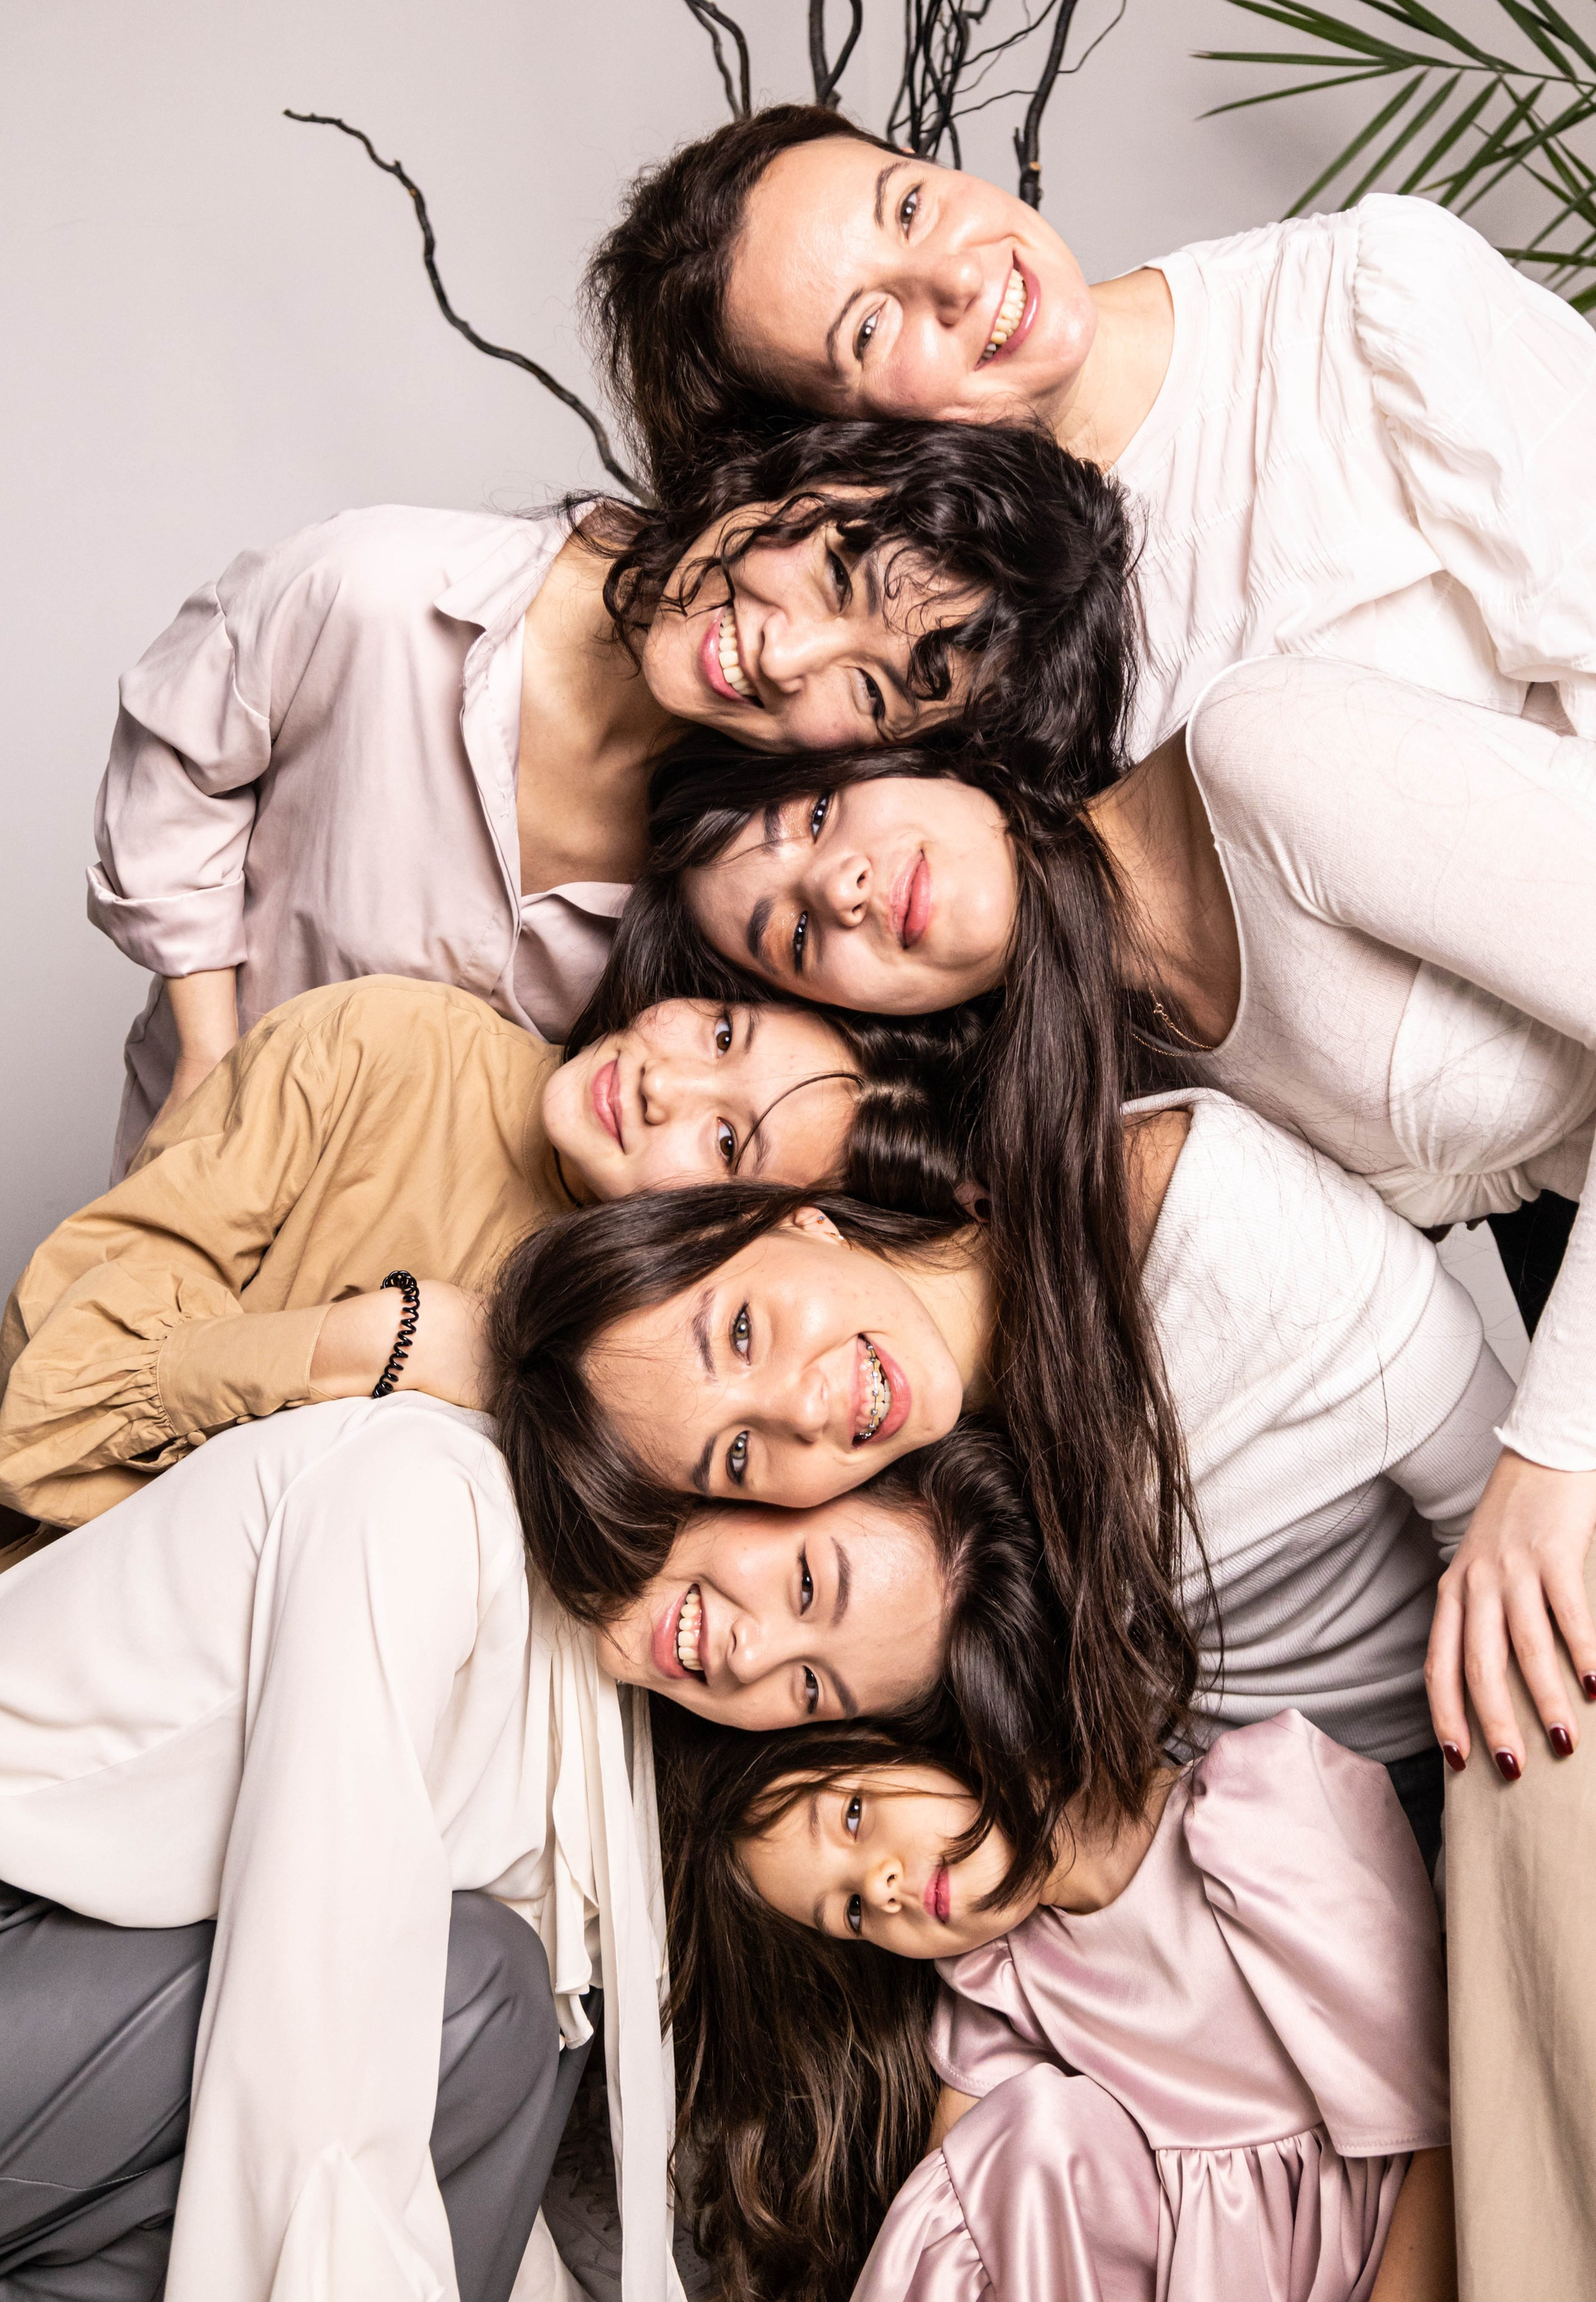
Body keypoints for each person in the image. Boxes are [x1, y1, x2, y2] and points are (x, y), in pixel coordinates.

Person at [492, 1090, 1509, 1871]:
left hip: (1464, 1741)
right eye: (737, 1455)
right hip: (1295, 1825)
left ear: (792, 1218)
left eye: (745, 1332)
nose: (800, 1410)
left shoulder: (1193, 1221)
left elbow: (1504, 1498)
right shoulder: (921, 1523)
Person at [88, 417, 1130, 1176]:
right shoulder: (381, 591)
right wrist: (207, 1058)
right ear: (817, 470)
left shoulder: (761, 881)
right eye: (834, 575)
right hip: (186, 1170)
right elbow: (180, 758)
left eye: (868, 690)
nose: (786, 653)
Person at [588, 106, 1596, 764]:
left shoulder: (1371, 304)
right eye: (869, 328)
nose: (960, 276)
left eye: (910, 205)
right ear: (828, 446)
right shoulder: (921, 679)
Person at [0, 972, 971, 1531]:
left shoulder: (680, 1410)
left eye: (725, 1142)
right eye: (722, 1032)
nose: (664, 1083)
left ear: (752, 1228)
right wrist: (386, 1337)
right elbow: (39, 1397)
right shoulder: (390, 1049)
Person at [663, 1708, 1453, 2302]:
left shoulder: (1261, 1800)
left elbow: (1443, 2134)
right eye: (853, 1911)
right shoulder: (998, 1973)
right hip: (1188, 2269)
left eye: (854, 1815)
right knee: (1026, 2144)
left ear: (908, 1737)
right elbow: (938, 2230)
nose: (883, 1884)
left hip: (1372, 2252)